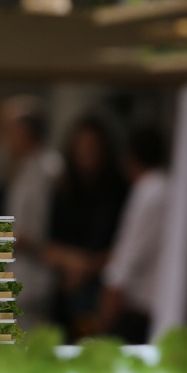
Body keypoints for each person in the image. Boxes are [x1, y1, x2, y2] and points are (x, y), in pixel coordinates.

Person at [44, 117, 128, 338]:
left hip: (107, 289)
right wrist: (73, 262)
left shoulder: (119, 192)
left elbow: (127, 247)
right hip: (66, 289)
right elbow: (49, 246)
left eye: (93, 146)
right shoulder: (63, 191)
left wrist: (89, 267)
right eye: (82, 147)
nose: (87, 153)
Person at [100, 124, 171, 344]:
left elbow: (125, 263)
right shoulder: (167, 187)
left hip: (141, 313)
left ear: (128, 157)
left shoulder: (148, 192)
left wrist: (104, 321)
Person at [0, 95, 62, 327]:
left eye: (9, 130)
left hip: (37, 281)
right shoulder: (25, 168)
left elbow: (39, 232)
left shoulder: (48, 169)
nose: (6, 138)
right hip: (19, 279)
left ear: (25, 131)